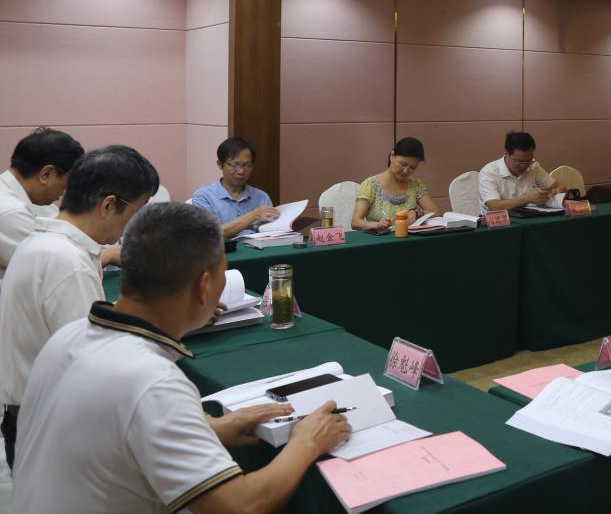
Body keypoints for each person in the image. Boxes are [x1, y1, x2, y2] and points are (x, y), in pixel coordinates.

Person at [13, 202, 350, 512]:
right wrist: (306, 443)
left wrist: (213, 427)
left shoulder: (68, 337)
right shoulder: (154, 382)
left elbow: (112, 427)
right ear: (204, 286)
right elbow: (240, 506)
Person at [0, 144, 158, 469]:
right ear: (109, 204)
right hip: (50, 422)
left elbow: (78, 326)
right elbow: (93, 365)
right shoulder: (67, 262)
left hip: (31, 413)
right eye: (138, 210)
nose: (134, 224)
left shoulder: (44, 241)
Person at [0, 127, 85, 288]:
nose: (66, 191)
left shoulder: (32, 198)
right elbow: (54, 266)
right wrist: (110, 255)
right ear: (46, 174)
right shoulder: (9, 212)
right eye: (69, 181)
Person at [190, 138, 279, 237]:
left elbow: (272, 232)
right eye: (234, 165)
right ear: (220, 164)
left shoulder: (261, 197)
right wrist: (253, 216)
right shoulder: (203, 196)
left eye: (246, 165)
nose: (241, 171)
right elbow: (210, 233)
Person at [352, 137, 442, 233]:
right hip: (381, 239)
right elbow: (356, 222)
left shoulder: (415, 185)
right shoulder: (371, 185)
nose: (406, 170)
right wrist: (377, 225)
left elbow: (437, 212)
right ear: (392, 156)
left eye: (412, 167)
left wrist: (417, 212)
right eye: (403, 164)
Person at [479, 131, 566, 214]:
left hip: (528, 218)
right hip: (498, 222)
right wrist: (528, 198)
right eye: (519, 161)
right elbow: (494, 206)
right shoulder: (489, 172)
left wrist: (555, 192)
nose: (524, 165)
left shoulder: (533, 166)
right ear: (507, 153)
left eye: (528, 161)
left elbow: (560, 186)